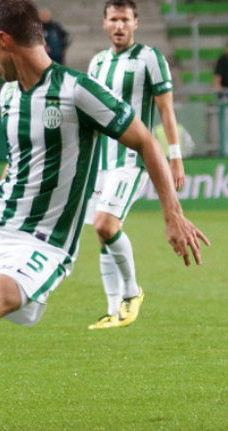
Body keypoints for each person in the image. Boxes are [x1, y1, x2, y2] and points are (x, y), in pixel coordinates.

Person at [0, 1, 208, 430]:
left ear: (6, 41)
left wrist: (172, 214)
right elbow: (19, 160)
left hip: (45, 238)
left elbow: (145, 140)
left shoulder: (77, 90)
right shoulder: (8, 95)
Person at [85, 0, 186, 330]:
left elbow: (166, 109)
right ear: (104, 23)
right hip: (101, 160)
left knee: (105, 224)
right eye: (113, 19)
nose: (119, 25)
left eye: (125, 19)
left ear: (135, 23)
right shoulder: (98, 63)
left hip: (132, 159)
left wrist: (175, 156)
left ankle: (132, 293)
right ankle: (114, 311)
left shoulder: (149, 58)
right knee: (102, 235)